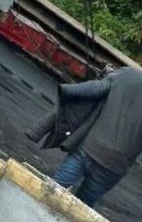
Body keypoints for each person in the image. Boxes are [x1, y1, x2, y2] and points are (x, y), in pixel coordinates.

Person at [31, 69, 142, 207]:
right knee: (81, 208)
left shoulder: (126, 74)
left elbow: (95, 89)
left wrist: (69, 91)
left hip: (89, 149)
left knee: (51, 190)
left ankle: (32, 213)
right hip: (115, 166)